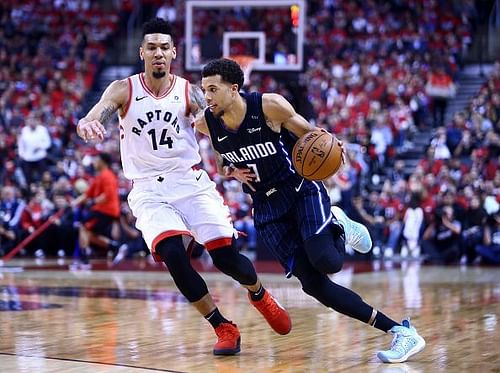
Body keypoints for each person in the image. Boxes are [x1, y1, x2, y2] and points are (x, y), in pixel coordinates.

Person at [75, 18, 290, 355]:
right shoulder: (122, 89)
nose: (158, 53)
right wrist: (87, 125)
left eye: (164, 47)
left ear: (173, 52)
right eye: (152, 47)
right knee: (173, 254)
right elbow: (93, 115)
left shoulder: (190, 92)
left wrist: (228, 163)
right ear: (142, 52)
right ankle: (223, 326)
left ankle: (259, 293)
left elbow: (218, 132)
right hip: (148, 189)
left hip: (189, 181)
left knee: (226, 258)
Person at [196, 58, 426, 363]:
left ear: (233, 89)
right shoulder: (206, 122)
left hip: (299, 189)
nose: (207, 96)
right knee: (315, 287)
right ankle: (401, 332)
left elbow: (311, 135)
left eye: (213, 89)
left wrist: (331, 145)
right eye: (204, 90)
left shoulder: (269, 106)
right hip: (267, 208)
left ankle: (338, 223)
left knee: (328, 262)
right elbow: (222, 160)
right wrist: (232, 172)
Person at [71, 153, 121, 268]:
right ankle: (113, 246)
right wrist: (73, 203)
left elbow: (107, 195)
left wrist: (93, 202)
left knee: (83, 227)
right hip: (103, 210)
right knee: (89, 234)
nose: (94, 162)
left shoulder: (107, 176)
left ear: (102, 162)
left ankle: (84, 259)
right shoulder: (99, 177)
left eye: (96, 160)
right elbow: (87, 194)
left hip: (106, 210)